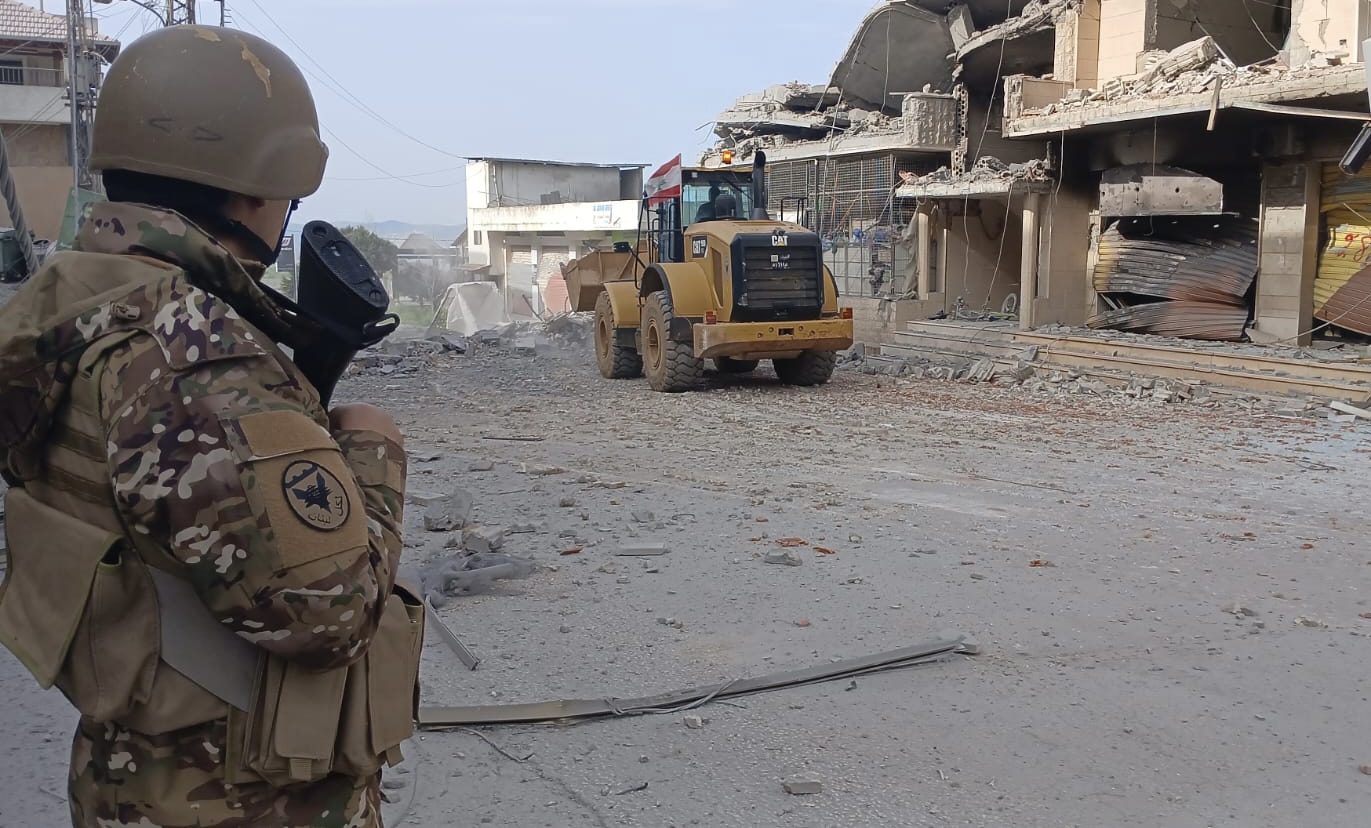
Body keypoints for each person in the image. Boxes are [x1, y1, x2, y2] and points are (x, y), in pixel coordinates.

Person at [0, 25, 419, 828]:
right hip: (242, 795)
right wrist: (372, 449)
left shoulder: (78, 301)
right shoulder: (199, 359)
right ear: (255, 190)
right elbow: (329, 615)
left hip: (131, 773)